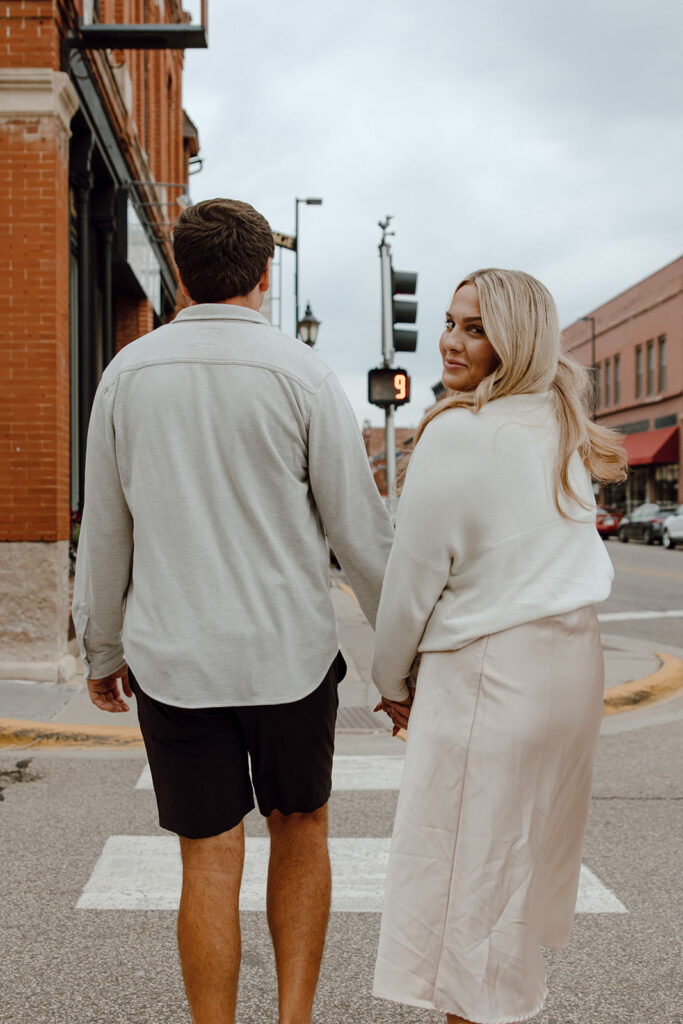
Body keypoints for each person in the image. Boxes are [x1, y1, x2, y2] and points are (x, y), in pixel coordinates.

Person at [72, 198, 394, 1024]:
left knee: (207, 859)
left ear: (181, 272)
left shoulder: (127, 375)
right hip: (287, 654)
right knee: (302, 829)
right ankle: (293, 1019)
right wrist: (403, 659)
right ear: (263, 274)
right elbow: (360, 535)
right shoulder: (302, 374)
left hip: (176, 659)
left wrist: (101, 649)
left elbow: (106, 529)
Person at [372, 268, 627, 1024]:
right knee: (507, 876)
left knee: (466, 890)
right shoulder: (557, 419)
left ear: (513, 339)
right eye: (451, 322)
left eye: (475, 328)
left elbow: (411, 582)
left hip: (491, 668)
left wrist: (390, 680)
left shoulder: (457, 431)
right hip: (570, 670)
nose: (451, 340)